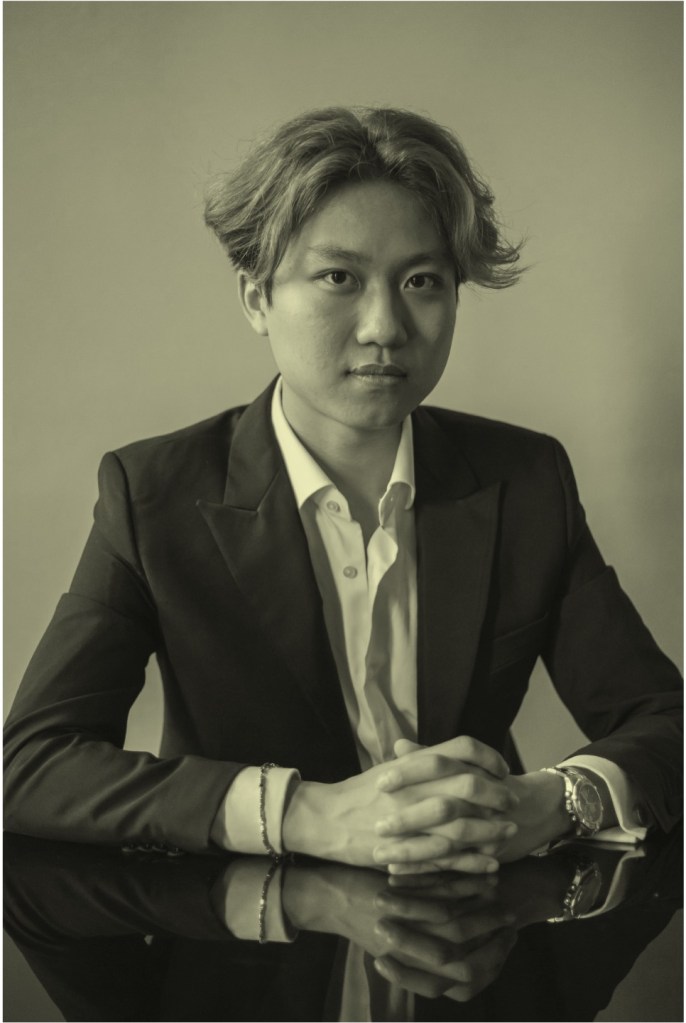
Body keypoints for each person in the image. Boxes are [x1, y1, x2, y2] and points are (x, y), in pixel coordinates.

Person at [4, 107, 682, 878]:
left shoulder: (526, 479)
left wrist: (555, 801)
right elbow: (29, 765)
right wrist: (303, 811)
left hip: (473, 917)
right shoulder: (153, 494)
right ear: (256, 297)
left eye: (421, 281)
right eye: (338, 278)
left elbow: (666, 721)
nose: (384, 325)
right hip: (247, 925)